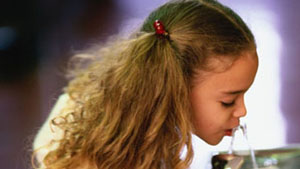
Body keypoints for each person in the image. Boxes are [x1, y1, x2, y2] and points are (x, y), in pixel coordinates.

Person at [32, 0, 258, 168]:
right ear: (175, 87)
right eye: (228, 101)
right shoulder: (109, 153)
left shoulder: (146, 114)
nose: (242, 110)